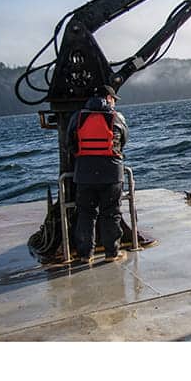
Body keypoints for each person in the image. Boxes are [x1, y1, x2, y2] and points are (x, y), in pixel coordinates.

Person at [64, 85, 128, 264]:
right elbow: (123, 140)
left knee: (86, 214)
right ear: (108, 98)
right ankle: (111, 253)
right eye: (114, 98)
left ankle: (85, 255)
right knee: (111, 213)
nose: (114, 102)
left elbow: (69, 143)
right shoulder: (117, 117)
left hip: (84, 174)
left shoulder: (77, 117)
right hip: (112, 173)